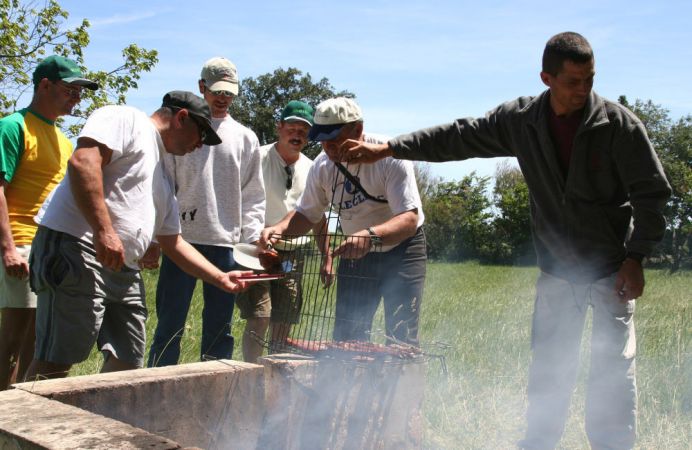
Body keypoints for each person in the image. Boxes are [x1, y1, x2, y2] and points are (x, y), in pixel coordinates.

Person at [341, 32, 672, 450]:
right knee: (550, 368)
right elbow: (459, 136)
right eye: (573, 81)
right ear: (546, 78)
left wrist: (636, 258)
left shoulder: (617, 125)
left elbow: (652, 195)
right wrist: (389, 148)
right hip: (556, 269)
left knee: (613, 369)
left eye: (590, 79)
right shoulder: (522, 122)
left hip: (612, 270)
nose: (583, 90)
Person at [24, 90, 251, 381]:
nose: (201, 145)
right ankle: (22, 424)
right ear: (182, 118)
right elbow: (84, 162)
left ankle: (96, 420)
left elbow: (174, 242)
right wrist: (104, 230)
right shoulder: (126, 118)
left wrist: (220, 277)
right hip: (76, 247)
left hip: (123, 266)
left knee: (128, 360)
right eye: (201, 135)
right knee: (57, 359)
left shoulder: (163, 175)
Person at [261, 97, 427, 346]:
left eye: (336, 139)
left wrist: (369, 236)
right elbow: (307, 214)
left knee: (401, 335)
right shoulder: (322, 166)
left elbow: (409, 219)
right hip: (354, 253)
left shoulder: (390, 156)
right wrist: (279, 229)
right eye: (324, 141)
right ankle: (346, 384)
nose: (329, 148)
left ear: (358, 129)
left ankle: (401, 384)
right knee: (348, 336)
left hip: (403, 249)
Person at [147, 57, 265, 367]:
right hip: (180, 241)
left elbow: (253, 196)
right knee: (169, 326)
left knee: (219, 331)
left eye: (230, 92)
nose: (223, 98)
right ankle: (158, 390)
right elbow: (164, 185)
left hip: (226, 243)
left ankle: (216, 398)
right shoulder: (180, 129)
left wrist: (250, 245)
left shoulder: (245, 137)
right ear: (202, 87)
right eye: (217, 91)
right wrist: (155, 238)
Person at [0, 56, 98, 390]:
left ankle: (23, 418)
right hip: (21, 244)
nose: (77, 98)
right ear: (45, 85)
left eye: (79, 92)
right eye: (70, 89)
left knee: (38, 341)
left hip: (50, 250)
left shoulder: (64, 140)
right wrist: (9, 249)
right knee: (12, 338)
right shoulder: (13, 126)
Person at [236, 100, 328, 362]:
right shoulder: (258, 157)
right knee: (260, 315)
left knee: (284, 319)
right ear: (279, 127)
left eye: (303, 130)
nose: (297, 134)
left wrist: (327, 256)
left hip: (293, 256)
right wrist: (255, 238)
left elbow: (318, 217)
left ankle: (276, 378)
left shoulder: (313, 169)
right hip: (257, 250)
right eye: (292, 127)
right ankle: (251, 373)